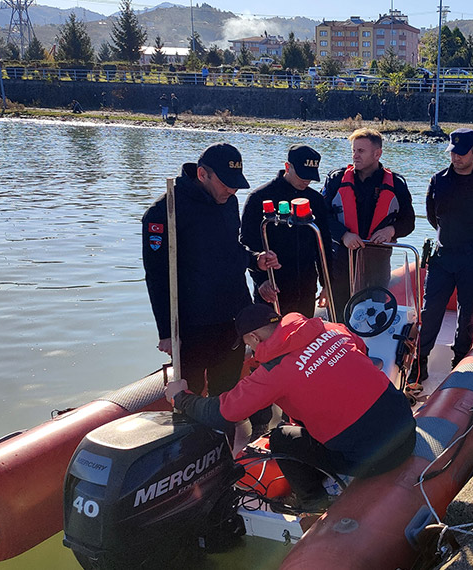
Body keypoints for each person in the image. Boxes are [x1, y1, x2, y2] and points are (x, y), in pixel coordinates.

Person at [166, 304, 417, 511]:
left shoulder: (274, 372)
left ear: (254, 338)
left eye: (247, 344)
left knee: (282, 437)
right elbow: (362, 351)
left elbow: (221, 413)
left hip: (373, 459)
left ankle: (314, 504)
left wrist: (181, 397)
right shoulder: (332, 329)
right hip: (407, 431)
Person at [142, 143, 278, 397]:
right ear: (203, 174)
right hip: (193, 324)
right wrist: (165, 331)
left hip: (233, 316)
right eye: (226, 182)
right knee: (190, 393)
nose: (232, 188)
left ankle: (224, 435)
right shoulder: (164, 212)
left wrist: (254, 259)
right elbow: (156, 275)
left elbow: (229, 248)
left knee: (228, 392)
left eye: (236, 182)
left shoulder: (229, 201)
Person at [414, 129, 473, 379]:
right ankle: (420, 361)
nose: (455, 157)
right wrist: (451, 236)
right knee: (431, 310)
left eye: (461, 153)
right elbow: (432, 216)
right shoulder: (438, 181)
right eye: (452, 152)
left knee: (468, 313)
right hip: (443, 257)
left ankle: (460, 361)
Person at [321, 129, 415, 316]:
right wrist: (343, 234)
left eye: (361, 151)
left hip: (377, 262)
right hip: (341, 258)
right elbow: (322, 216)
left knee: (372, 314)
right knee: (340, 315)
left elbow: (409, 221)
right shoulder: (336, 180)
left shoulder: (396, 184)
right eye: (354, 150)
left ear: (377, 153)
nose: (355, 155)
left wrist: (391, 230)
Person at [241, 144, 333, 318]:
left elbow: (324, 244)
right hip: (272, 288)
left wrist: (327, 284)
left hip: (306, 288)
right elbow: (246, 244)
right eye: (302, 175)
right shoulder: (259, 197)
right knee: (270, 342)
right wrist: (260, 281)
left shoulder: (316, 200)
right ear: (287, 167)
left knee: (302, 341)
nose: (306, 181)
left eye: (311, 177)